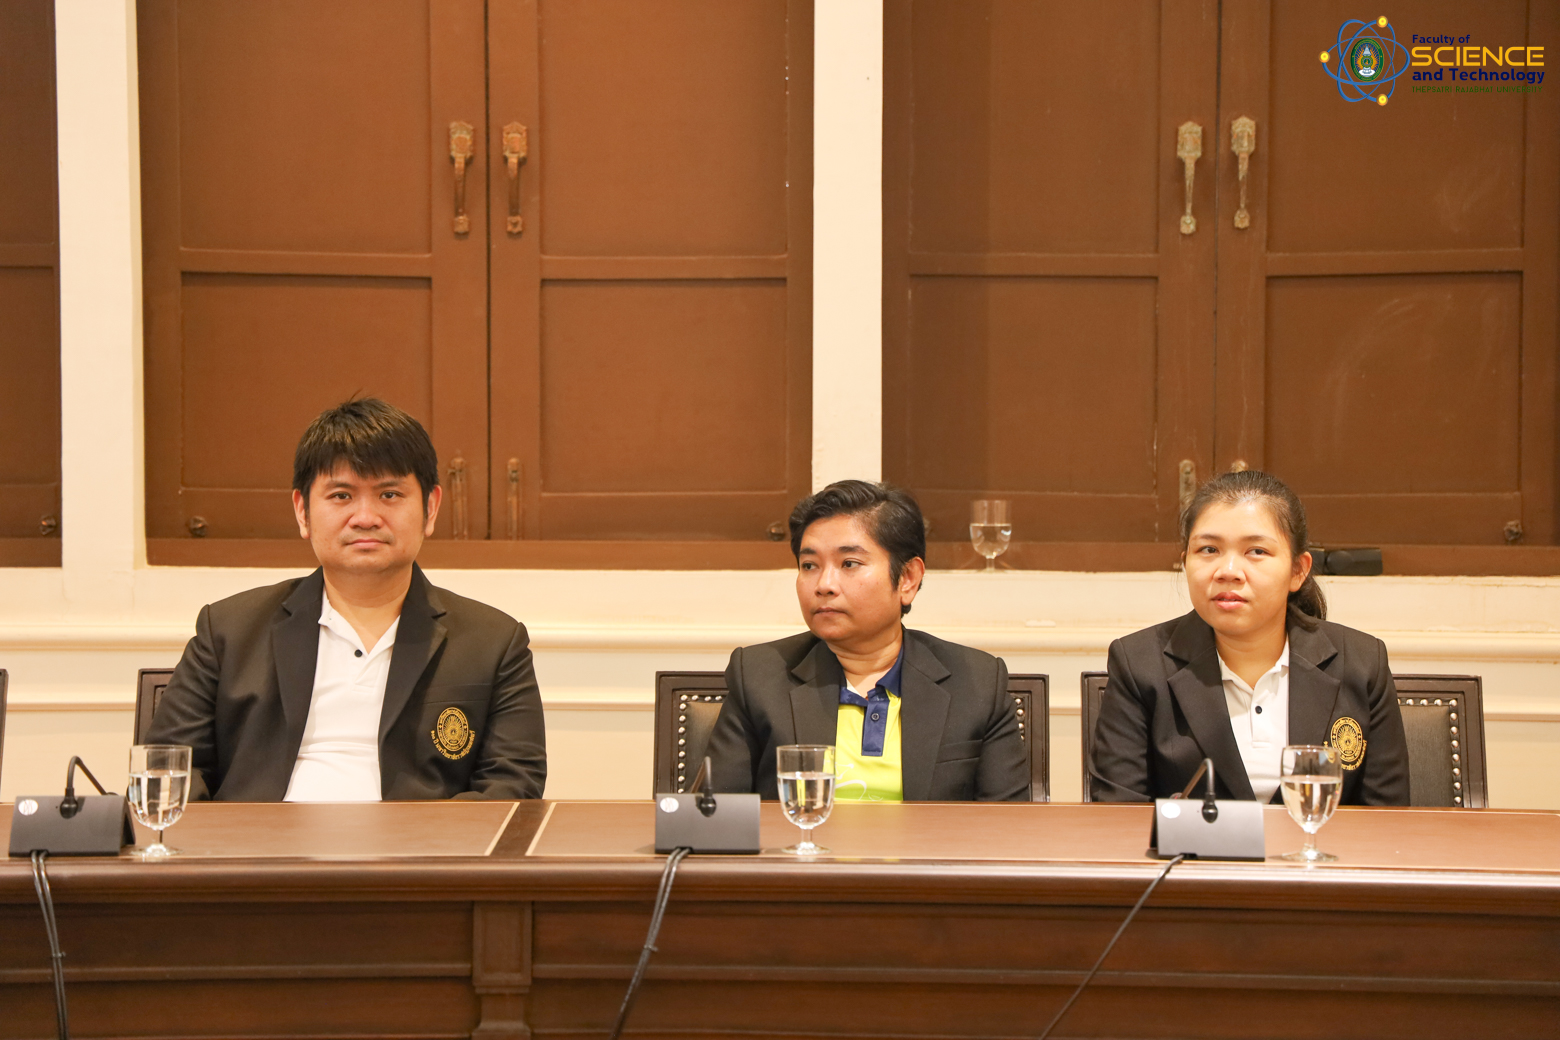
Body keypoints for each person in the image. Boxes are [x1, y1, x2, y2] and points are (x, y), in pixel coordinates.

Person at [146, 398, 546, 801]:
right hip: (261, 838)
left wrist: (422, 838)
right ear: (302, 511)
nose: (366, 517)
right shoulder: (228, 630)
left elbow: (512, 785)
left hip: (414, 841)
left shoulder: (494, 643)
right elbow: (168, 768)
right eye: (341, 496)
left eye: (389, 494)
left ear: (430, 508)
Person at [1090, 470, 1408, 805]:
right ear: (1185, 562)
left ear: (1298, 570)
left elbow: (1387, 820)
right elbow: (1118, 817)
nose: (1228, 571)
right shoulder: (1139, 664)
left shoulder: (1361, 662)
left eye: (1256, 551)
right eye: (1208, 549)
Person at [707, 480, 1028, 802]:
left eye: (849, 564)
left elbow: (1008, 823)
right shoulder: (760, 676)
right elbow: (716, 815)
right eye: (809, 565)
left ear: (907, 579)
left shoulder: (976, 682)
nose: (824, 585)